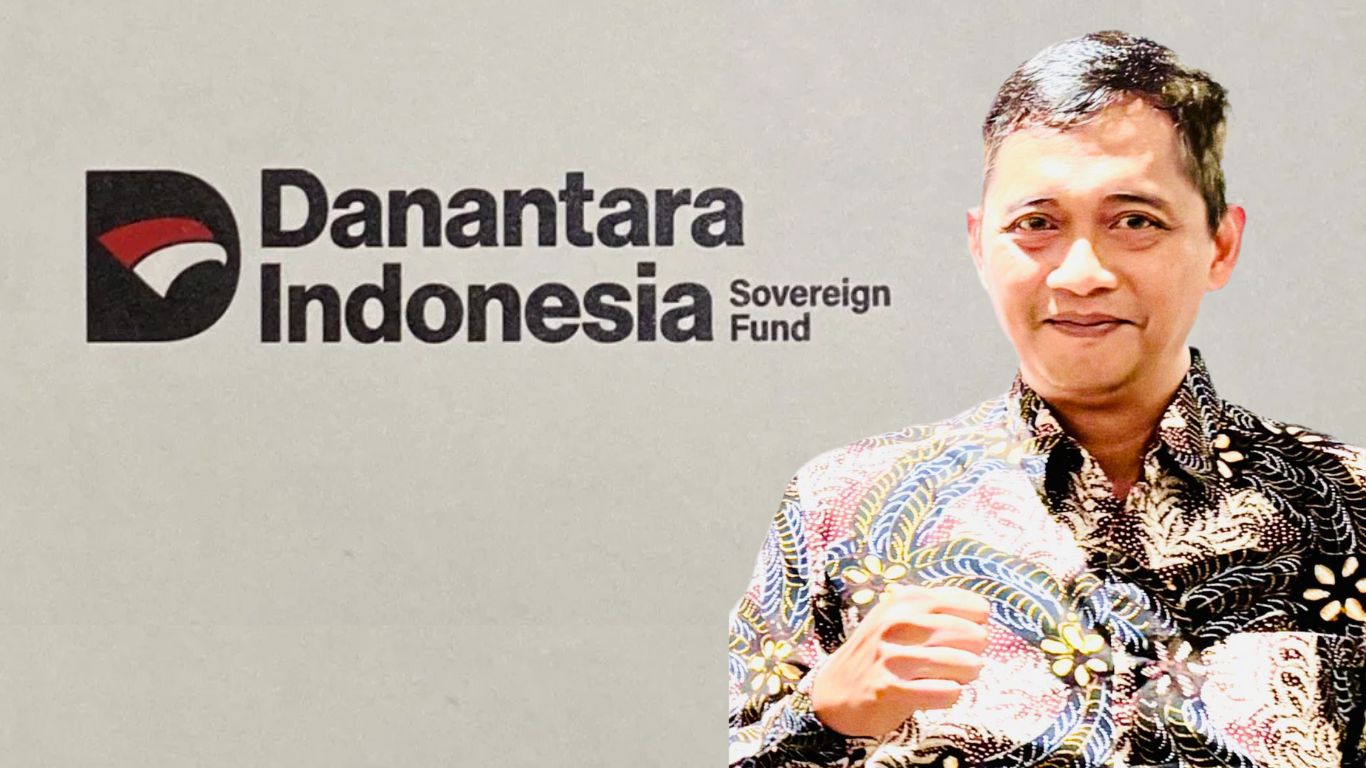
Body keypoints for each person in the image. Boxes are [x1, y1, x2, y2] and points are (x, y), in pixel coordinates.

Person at [727, 30, 1366, 768]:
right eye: (1037, 224)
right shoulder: (842, 510)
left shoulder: (1350, 505)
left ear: (1220, 245)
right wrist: (827, 716)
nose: (1081, 273)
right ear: (980, 245)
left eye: (1135, 221)